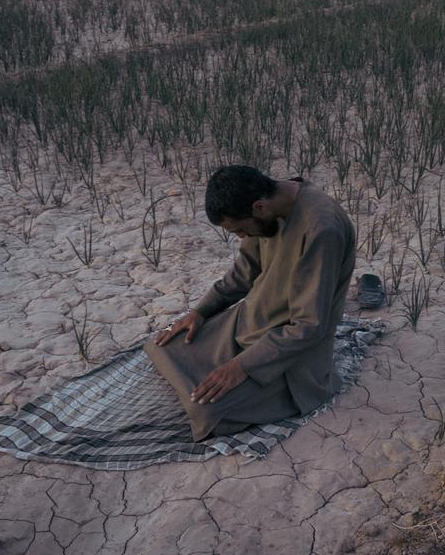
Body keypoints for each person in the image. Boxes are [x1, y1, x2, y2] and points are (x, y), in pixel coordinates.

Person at [143, 165, 356, 441]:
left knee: (206, 413)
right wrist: (200, 311)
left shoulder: (321, 228)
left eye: (241, 230)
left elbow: (308, 327)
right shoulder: (270, 205)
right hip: (248, 321)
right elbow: (244, 272)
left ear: (258, 207)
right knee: (161, 346)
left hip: (289, 350)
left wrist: (242, 366)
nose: (242, 237)